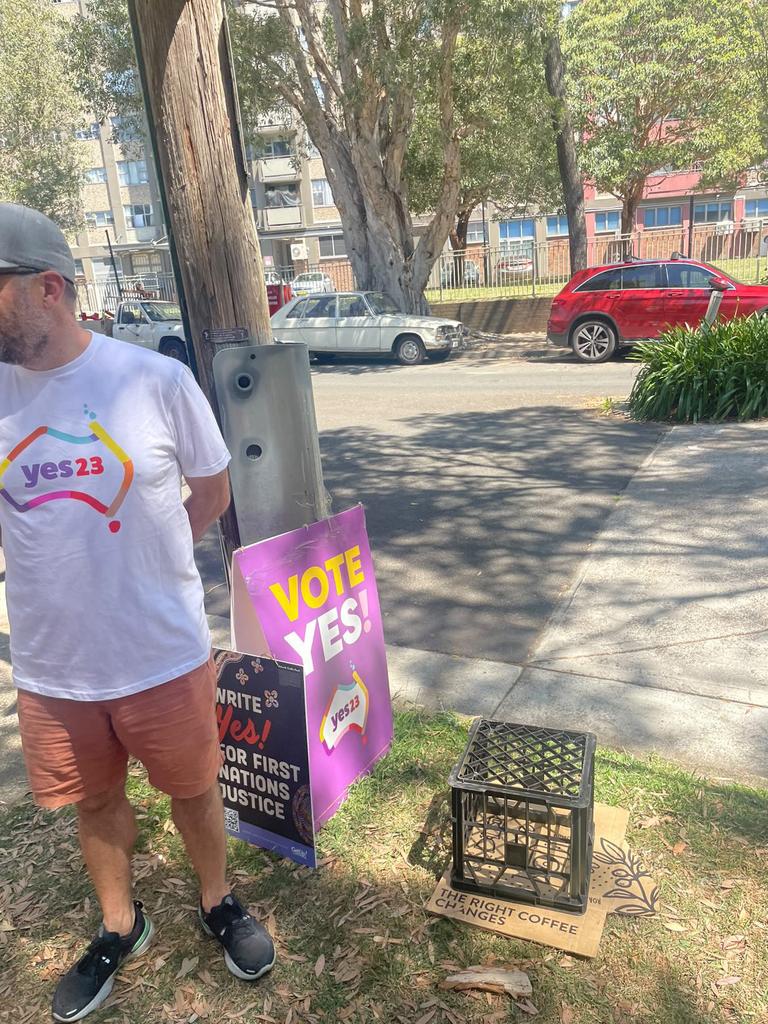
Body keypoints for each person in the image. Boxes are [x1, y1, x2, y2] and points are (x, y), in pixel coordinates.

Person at [0, 204, 275, 1022]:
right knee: (93, 801)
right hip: (55, 667)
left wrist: (152, 562)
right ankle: (122, 924)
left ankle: (219, 901)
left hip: (159, 651)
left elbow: (213, 490)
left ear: (47, 288)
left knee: (193, 790)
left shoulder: (154, 380)